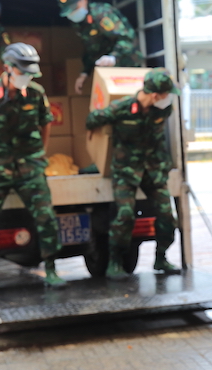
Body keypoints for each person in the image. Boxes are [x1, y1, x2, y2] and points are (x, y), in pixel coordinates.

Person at [0, 43, 66, 293]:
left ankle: (51, 268)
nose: (26, 77)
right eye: (22, 72)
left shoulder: (36, 92)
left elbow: (46, 122)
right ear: (8, 68)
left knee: (46, 217)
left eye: (30, 73)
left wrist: (41, 150)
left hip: (29, 164)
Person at [84, 68, 181, 280]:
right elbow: (92, 120)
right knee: (125, 215)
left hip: (152, 171)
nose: (169, 98)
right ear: (156, 95)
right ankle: (115, 262)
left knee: (167, 216)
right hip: (126, 171)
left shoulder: (162, 110)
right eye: (166, 94)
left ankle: (161, 257)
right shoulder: (122, 108)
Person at [55, 0, 144, 94]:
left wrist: (114, 57)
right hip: (107, 71)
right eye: (69, 11)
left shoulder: (101, 13)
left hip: (127, 65)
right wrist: (85, 73)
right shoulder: (79, 24)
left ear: (84, 0)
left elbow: (126, 38)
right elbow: (91, 49)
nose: (73, 13)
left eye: (75, 8)